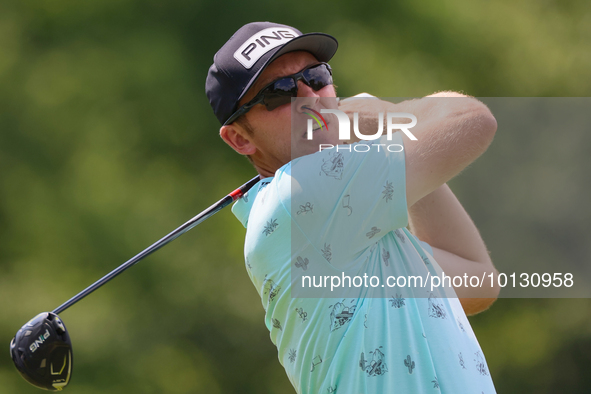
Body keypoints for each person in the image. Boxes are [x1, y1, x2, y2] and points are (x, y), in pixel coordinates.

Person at [206, 21, 500, 394]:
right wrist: (383, 116)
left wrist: (385, 141)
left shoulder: (347, 226)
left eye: (315, 77)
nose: (308, 97)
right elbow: (472, 121)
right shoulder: (300, 196)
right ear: (239, 138)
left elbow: (478, 280)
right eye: (278, 92)